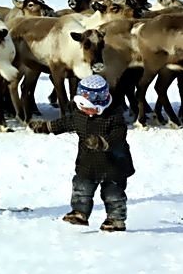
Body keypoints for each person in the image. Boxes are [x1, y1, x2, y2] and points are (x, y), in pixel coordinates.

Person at [29, 75, 135, 232]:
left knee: (113, 194)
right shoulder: (79, 115)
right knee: (81, 188)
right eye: (81, 105)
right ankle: (80, 213)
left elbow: (117, 137)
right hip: (87, 163)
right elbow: (64, 123)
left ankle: (116, 219)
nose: (83, 109)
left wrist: (101, 142)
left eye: (87, 107)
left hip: (113, 166)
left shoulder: (114, 118)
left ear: (100, 105)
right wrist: (46, 127)